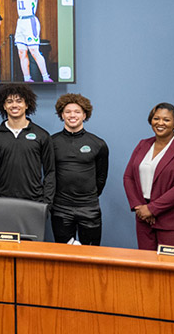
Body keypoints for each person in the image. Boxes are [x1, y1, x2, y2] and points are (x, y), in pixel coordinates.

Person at [123, 103, 174, 250]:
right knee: (147, 268)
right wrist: (140, 207)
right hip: (144, 218)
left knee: (173, 269)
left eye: (166, 120)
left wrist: (152, 209)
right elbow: (128, 177)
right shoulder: (143, 145)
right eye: (156, 118)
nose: (160, 123)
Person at [50, 93, 109, 245]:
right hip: (61, 208)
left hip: (89, 208)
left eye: (77, 111)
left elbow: (101, 177)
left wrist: (88, 196)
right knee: (63, 255)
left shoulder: (98, 144)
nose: (72, 115)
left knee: (90, 255)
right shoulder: (51, 142)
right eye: (68, 111)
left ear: (84, 115)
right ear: (62, 115)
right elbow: (48, 173)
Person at [0, 83, 55, 204]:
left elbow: (50, 172)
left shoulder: (42, 135)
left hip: (34, 202)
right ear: (4, 106)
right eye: (9, 101)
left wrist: (46, 203)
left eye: (19, 101)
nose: (14, 105)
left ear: (27, 104)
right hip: (4, 202)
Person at [1, 0, 52, 83]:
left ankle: (46, 77)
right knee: (21, 52)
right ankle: (27, 79)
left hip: (30, 21)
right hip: (21, 22)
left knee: (34, 51)